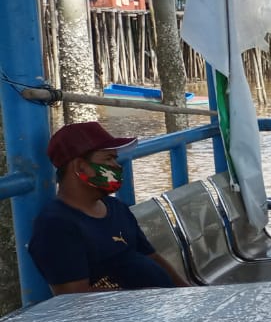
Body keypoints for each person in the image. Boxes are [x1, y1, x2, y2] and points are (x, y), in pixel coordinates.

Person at [28, 121, 189, 293]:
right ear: (80, 167)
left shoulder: (116, 207)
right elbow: (75, 300)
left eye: (115, 158)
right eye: (108, 159)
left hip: (163, 303)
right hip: (127, 316)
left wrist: (187, 293)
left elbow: (151, 256)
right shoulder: (56, 226)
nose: (117, 166)